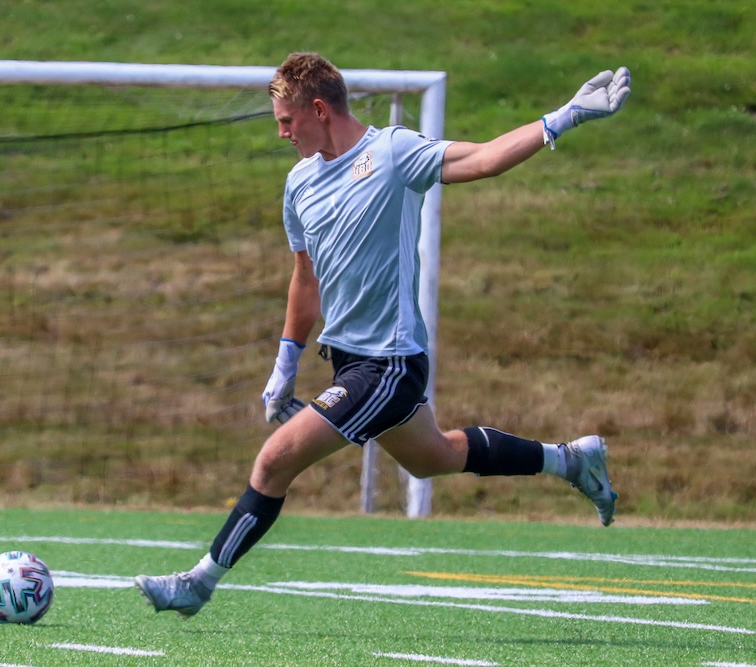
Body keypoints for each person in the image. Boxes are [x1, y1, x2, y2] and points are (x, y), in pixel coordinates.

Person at [135, 52, 631, 619]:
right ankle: (570, 460)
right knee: (434, 456)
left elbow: (484, 159)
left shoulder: (393, 153)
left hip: (388, 364)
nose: (281, 133)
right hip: (350, 364)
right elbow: (306, 276)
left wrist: (563, 117)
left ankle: (198, 583)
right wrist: (285, 361)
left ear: (318, 109)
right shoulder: (299, 183)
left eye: (286, 121)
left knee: (274, 462)